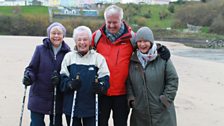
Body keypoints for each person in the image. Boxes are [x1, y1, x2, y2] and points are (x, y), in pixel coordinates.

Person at [91, 5, 171, 126]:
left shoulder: (132, 38)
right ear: (105, 20)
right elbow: (83, 48)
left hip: (123, 93)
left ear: (121, 20)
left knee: (121, 123)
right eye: (109, 22)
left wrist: (160, 50)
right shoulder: (97, 37)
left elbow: (145, 47)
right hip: (102, 91)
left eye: (115, 22)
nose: (112, 25)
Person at [126, 26, 179, 126]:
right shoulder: (133, 61)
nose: (142, 44)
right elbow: (128, 82)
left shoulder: (162, 58)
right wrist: (131, 99)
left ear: (151, 41)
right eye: (139, 41)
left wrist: (166, 99)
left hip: (162, 113)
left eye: (145, 41)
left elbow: (172, 79)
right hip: (140, 114)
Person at [60, 26, 110, 126]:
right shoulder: (69, 57)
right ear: (75, 41)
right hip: (72, 107)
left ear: (90, 41)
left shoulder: (98, 58)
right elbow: (62, 81)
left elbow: (105, 80)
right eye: (79, 39)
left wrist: (101, 87)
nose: (82, 42)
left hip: (91, 108)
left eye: (85, 39)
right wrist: (70, 84)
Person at [22, 22, 70, 126]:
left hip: (57, 96)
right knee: (36, 123)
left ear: (63, 36)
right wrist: (28, 76)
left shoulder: (68, 53)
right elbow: (31, 69)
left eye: (59, 33)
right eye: (53, 33)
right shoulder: (40, 49)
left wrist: (60, 79)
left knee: (56, 123)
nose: (56, 36)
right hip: (38, 95)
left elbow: (68, 74)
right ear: (49, 35)